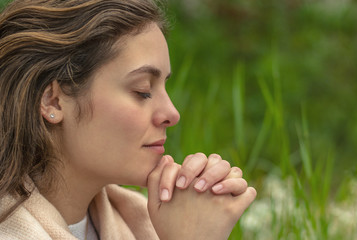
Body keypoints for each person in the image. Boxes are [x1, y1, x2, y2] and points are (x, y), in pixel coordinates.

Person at [0, 0, 256, 239]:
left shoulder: (144, 222)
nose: (172, 113)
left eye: (165, 87)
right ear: (53, 102)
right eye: (142, 91)